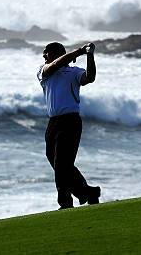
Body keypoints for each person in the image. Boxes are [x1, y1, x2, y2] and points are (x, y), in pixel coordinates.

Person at [37, 41, 101, 209]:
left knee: (61, 163)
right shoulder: (44, 72)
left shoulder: (73, 72)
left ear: (57, 53)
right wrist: (79, 51)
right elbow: (55, 65)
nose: (44, 56)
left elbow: (90, 77)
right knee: (55, 160)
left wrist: (89, 55)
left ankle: (65, 203)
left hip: (70, 121)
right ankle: (88, 192)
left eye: (47, 53)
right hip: (53, 122)